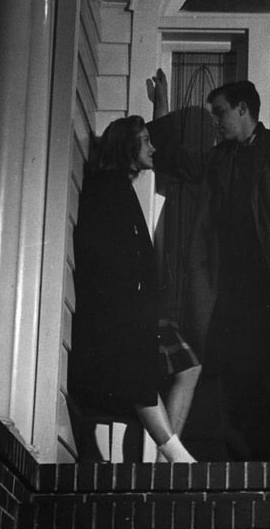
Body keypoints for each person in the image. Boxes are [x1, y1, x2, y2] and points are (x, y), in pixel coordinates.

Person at [149, 74, 270, 461]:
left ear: (243, 108)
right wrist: (160, 108)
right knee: (246, 407)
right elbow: (176, 162)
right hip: (240, 303)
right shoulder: (220, 159)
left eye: (219, 113)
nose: (215, 122)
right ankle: (256, 493)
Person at [68, 115, 201, 463]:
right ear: (127, 147)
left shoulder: (119, 186)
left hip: (140, 308)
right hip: (122, 312)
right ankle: (175, 458)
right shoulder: (106, 187)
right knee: (140, 377)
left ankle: (166, 460)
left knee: (188, 366)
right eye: (145, 140)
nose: (152, 147)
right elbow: (104, 259)